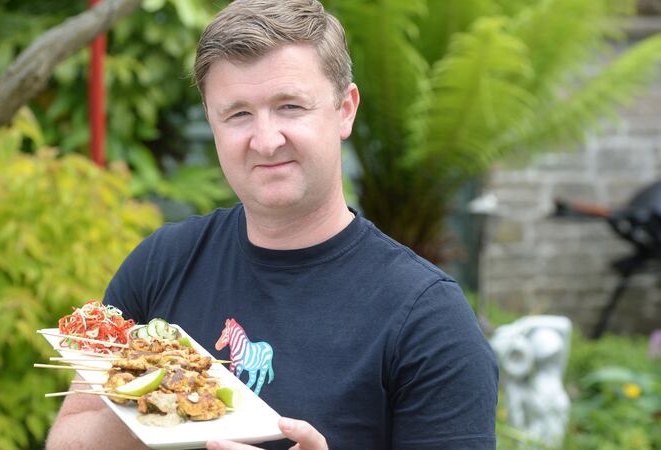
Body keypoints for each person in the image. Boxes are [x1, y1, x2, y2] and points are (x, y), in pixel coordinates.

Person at [46, 0, 498, 449]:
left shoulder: (429, 320)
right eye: (238, 114)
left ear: (345, 109)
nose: (265, 140)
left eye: (289, 106)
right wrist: (155, 396)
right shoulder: (162, 263)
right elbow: (67, 440)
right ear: (212, 121)